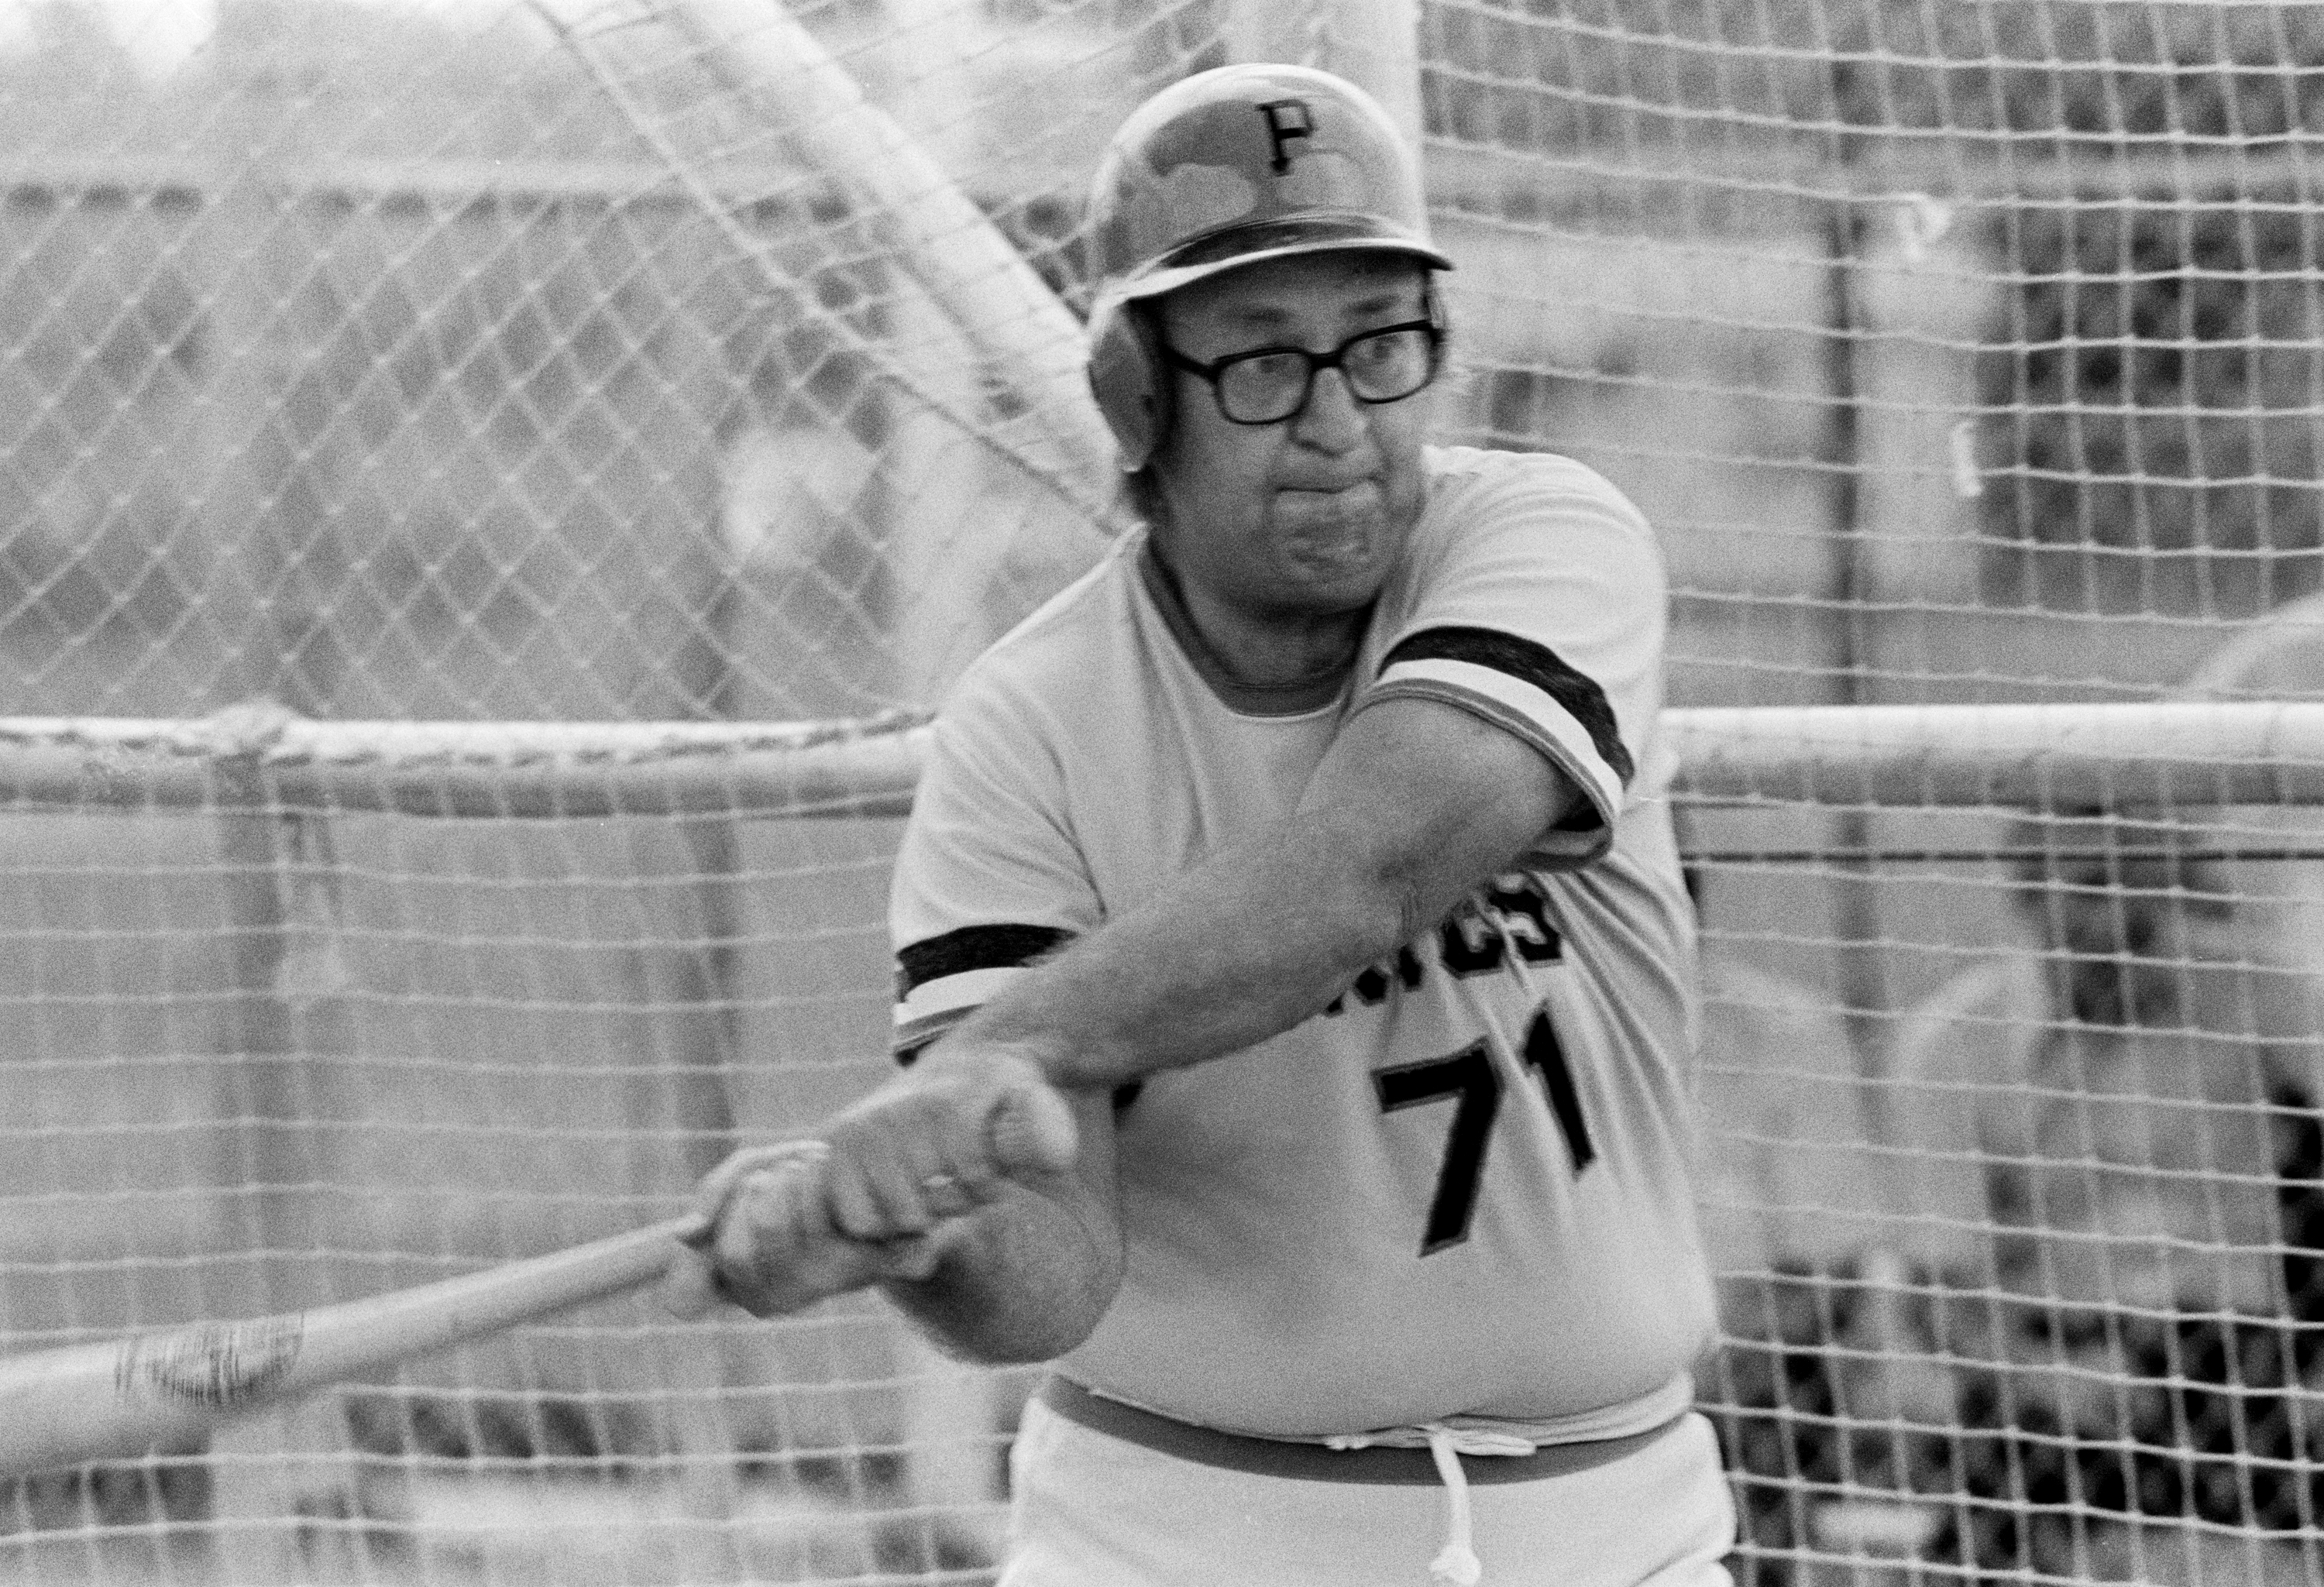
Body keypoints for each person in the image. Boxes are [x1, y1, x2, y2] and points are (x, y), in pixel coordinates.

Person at [665, 63, 1734, 1586]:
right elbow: (1051, 1278)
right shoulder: (1030, 730)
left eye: (1380, 347)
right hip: (1176, 1535)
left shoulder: (1539, 539)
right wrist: (913, 1235)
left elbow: (1373, 863)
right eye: (1261, 363)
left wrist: (1000, 1054)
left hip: (1608, 1527)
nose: (1339, 424)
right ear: (1134, 397)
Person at [1885, 811, 2324, 1582]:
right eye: (2093, 886)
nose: (2128, 913)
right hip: (2056, 1376)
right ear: (2030, 894)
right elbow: (1940, 1291)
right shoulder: (1951, 1045)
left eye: (2153, 881)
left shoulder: (2263, 999)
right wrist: (2046, 1377)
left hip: (2246, 1365)